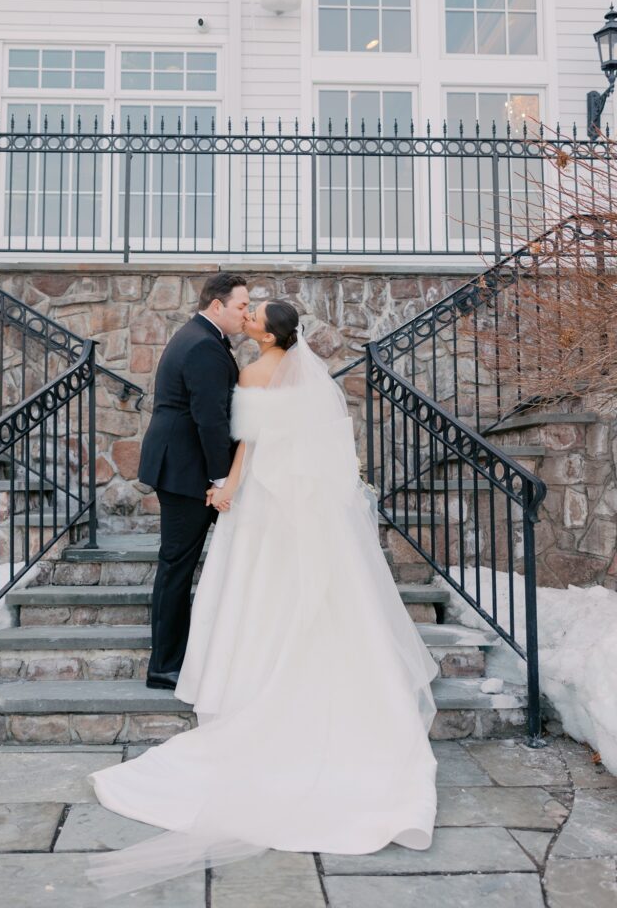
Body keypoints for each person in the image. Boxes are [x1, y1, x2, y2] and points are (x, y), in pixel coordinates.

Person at [87, 299, 440, 899]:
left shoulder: (252, 373)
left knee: (254, 590)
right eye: (244, 309)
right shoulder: (309, 379)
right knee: (307, 591)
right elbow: (322, 442)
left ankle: (252, 677)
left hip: (264, 499)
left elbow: (246, 444)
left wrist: (226, 487)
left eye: (255, 316)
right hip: (304, 500)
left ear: (271, 336)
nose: (248, 318)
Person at [137, 272, 249, 690]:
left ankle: (191, 655)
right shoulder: (203, 344)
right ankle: (165, 665)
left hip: (184, 466)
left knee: (182, 564)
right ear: (217, 305)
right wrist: (222, 479)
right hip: (186, 472)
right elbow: (209, 418)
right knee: (176, 566)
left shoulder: (202, 337)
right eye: (241, 306)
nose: (246, 314)